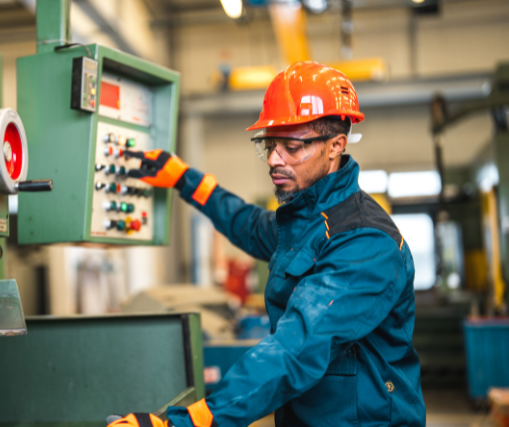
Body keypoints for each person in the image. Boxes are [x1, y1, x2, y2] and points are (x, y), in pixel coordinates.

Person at [112, 61, 426, 427]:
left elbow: (296, 349)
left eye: (293, 146)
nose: (275, 160)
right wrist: (185, 178)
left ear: (335, 146)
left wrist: (187, 422)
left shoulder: (364, 242)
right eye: (270, 145)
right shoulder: (305, 220)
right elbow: (247, 224)